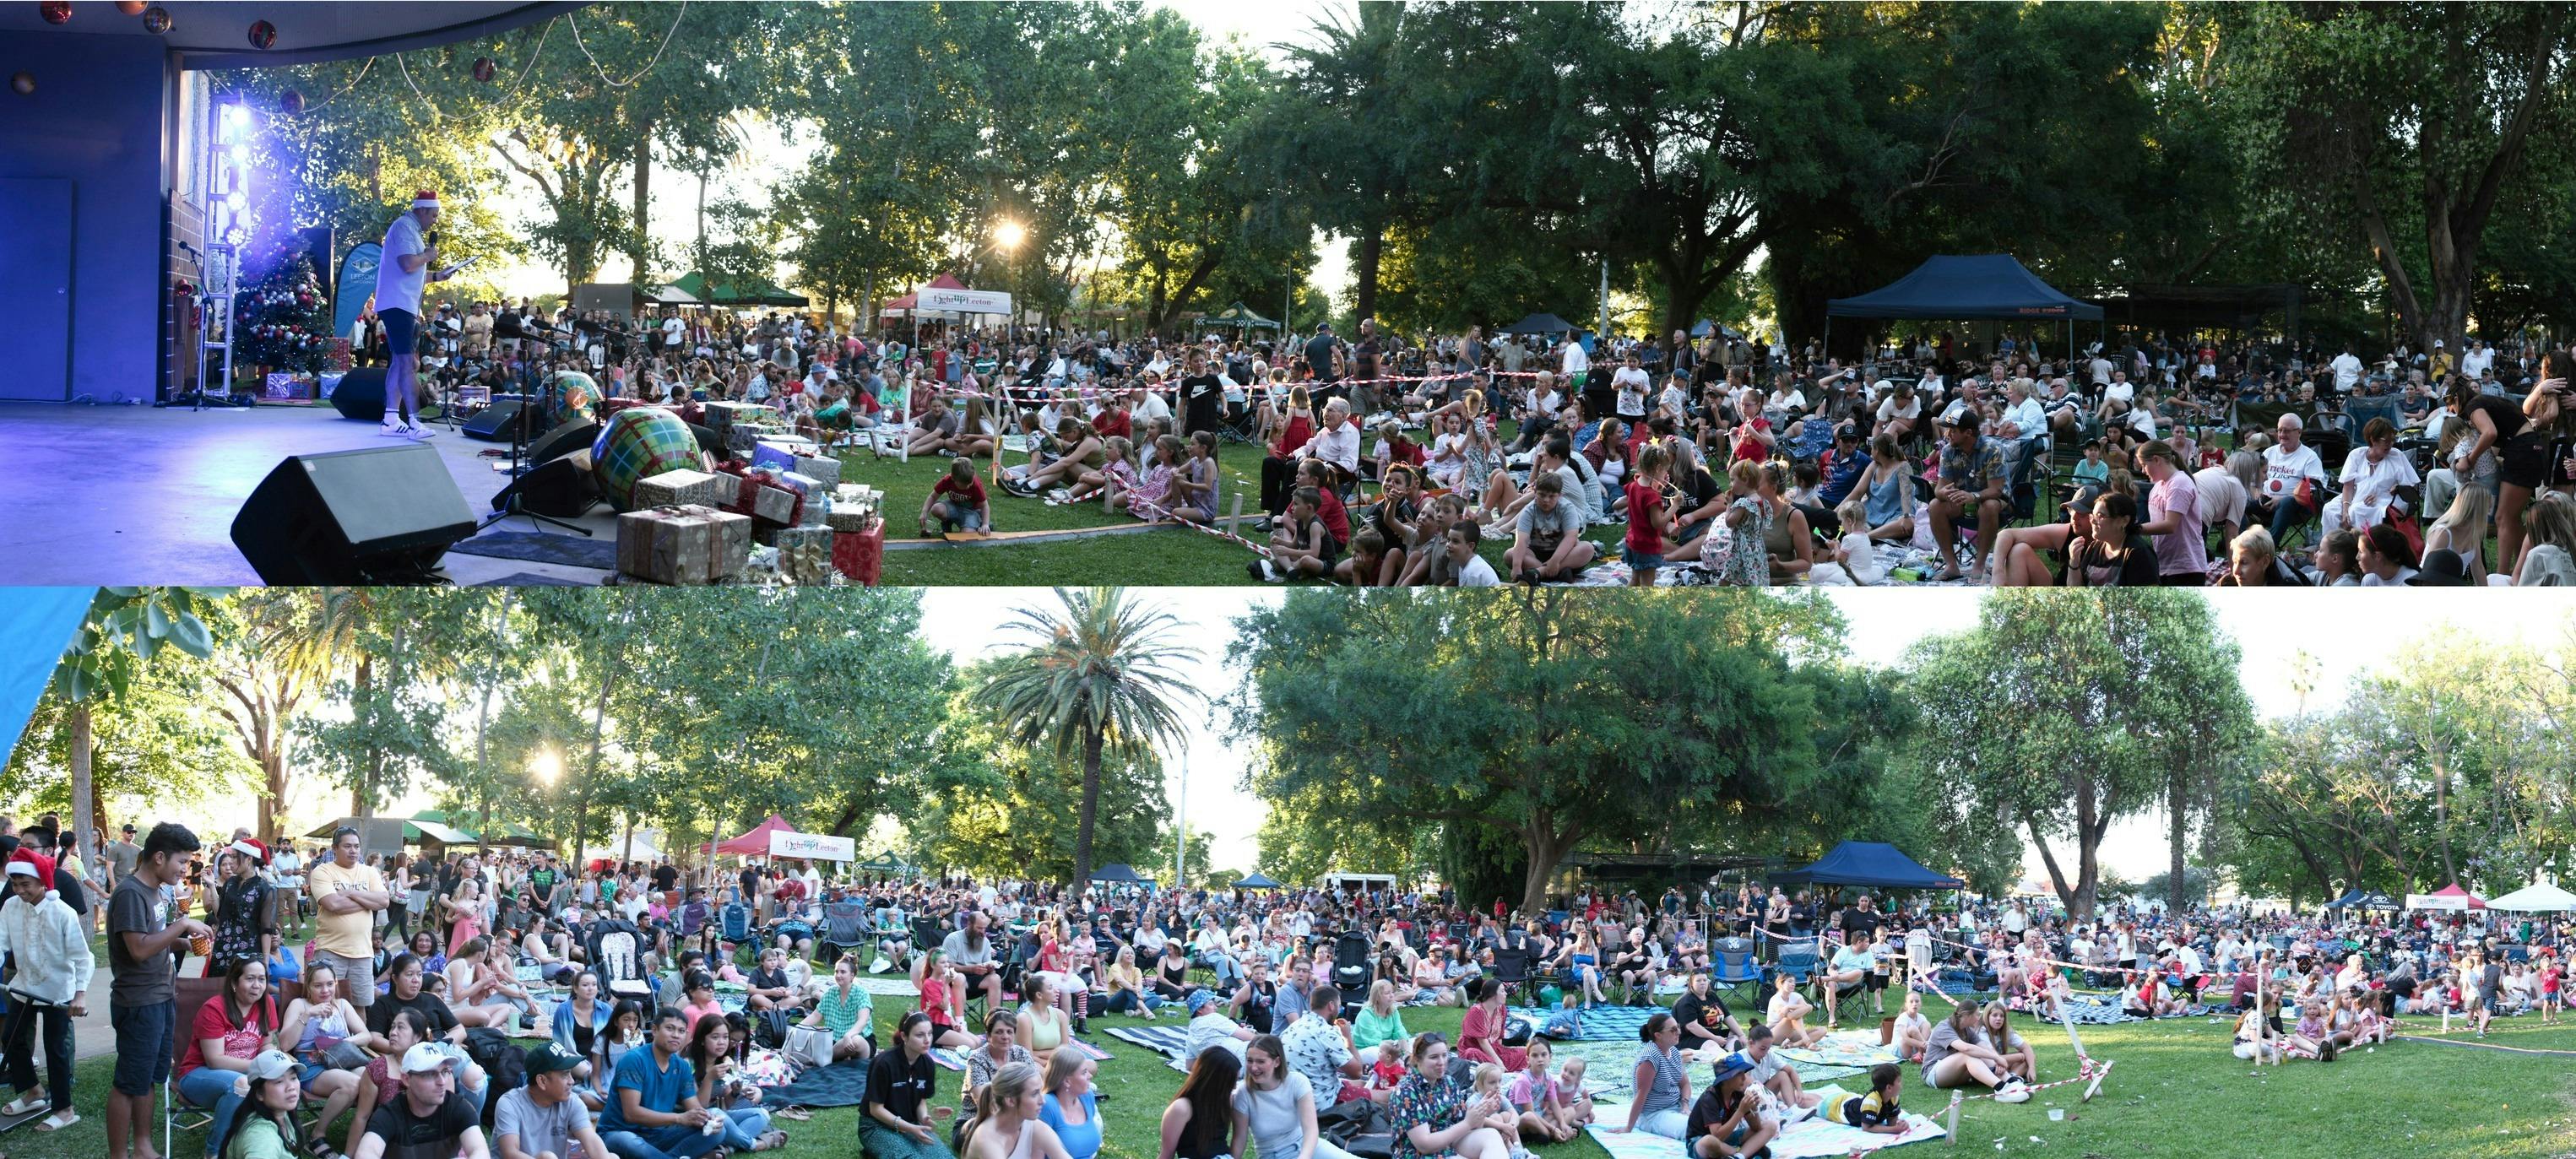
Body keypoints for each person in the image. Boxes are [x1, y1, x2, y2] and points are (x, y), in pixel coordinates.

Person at [111, 822, 213, 1159]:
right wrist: (181, 924)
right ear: (158, 857)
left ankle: (143, 1147)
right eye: (181, 862)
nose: (186, 869)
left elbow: (152, 939)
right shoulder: (130, 893)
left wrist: (183, 940)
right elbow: (138, 949)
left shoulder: (155, 891)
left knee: (151, 1077)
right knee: (129, 1082)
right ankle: (119, 1155)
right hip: (139, 1002)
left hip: (161, 996)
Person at [0, 847, 88, 1130]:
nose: (19, 890)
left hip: (58, 989)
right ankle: (34, 1092)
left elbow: (82, 956)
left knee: (55, 1050)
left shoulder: (62, 912)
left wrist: (80, 993)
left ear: (42, 882)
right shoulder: (10, 907)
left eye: (25, 884)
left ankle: (64, 1109)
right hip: (24, 985)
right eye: (15, 884)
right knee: (11, 1039)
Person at [370, 191, 462, 438]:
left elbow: (413, 273)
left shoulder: (411, 231)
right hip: (398, 305)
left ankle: (390, 419)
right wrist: (428, 256)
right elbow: (409, 264)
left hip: (404, 304)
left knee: (405, 363)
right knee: (406, 363)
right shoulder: (403, 227)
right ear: (421, 210)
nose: (434, 220)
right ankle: (413, 421)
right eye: (433, 215)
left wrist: (437, 275)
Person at [599, 1007, 720, 1159]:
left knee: (717, 1129)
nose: (676, 1035)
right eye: (670, 1029)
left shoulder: (681, 1066)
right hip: (618, 1134)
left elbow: (694, 1107)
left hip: (659, 1135)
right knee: (630, 1141)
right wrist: (679, 1118)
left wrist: (707, 1119)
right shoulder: (634, 1060)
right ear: (655, 1030)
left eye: (682, 1031)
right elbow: (631, 1114)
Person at [1386, 1033, 1515, 1159]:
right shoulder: (1406, 1091)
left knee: (1491, 1135)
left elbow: (1467, 1126)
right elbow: (1424, 1145)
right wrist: (1468, 1123)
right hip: (1416, 1153)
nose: (1441, 1062)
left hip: (1451, 1142)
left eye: (1444, 1055)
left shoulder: (1448, 1082)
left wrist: (1482, 1113)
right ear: (1418, 1059)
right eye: (1434, 1057)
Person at [352, 1043, 491, 1159]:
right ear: (406, 1079)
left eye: (444, 1072)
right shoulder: (390, 1114)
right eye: (430, 1074)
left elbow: (480, 1150)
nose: (442, 1082)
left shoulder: (457, 1107)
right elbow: (366, 1153)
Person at [311, 827, 390, 1016]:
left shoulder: (369, 872)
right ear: (335, 848)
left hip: (362, 952)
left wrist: (352, 893)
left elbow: (384, 901)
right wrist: (368, 902)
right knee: (327, 1004)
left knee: (360, 1005)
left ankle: (358, 1045)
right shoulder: (323, 871)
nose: (353, 851)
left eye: (356, 846)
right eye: (347, 846)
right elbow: (333, 904)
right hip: (331, 950)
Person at [686, 1015, 785, 1152]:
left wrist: (736, 1092)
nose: (722, 1042)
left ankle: (728, 1148)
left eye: (725, 1037)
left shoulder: (724, 1062)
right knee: (717, 1113)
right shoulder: (688, 1064)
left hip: (718, 1118)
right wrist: (709, 1079)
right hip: (696, 1120)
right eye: (715, 1037)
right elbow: (699, 1108)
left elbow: (727, 1104)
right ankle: (754, 1145)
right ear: (702, 1040)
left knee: (761, 1114)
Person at [864, 1012, 955, 1159]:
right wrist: (910, 1128)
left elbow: (921, 1101)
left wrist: (925, 1118)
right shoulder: (884, 1063)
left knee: (944, 1157)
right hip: (876, 1126)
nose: (927, 1040)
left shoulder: (927, 1063)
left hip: (910, 1123)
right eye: (920, 1035)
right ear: (904, 1037)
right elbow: (875, 1110)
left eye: (930, 1034)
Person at [496, 1043, 610, 1159]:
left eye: (571, 1073)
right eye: (565, 1075)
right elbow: (510, 1154)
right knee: (547, 1157)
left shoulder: (571, 1102)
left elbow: (591, 1140)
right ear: (542, 1081)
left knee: (612, 1157)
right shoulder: (510, 1104)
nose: (572, 1081)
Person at [1920, 1000, 2026, 1102]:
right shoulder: (1944, 1027)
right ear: (1967, 1015)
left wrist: (1997, 1060)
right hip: (1933, 1074)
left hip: (1954, 1075)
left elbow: (1984, 1047)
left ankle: (2011, 1082)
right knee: (1967, 1054)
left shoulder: (1967, 1029)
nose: (1978, 1018)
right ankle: (2001, 1089)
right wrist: (1996, 1057)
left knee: (1980, 1052)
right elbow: (1966, 1048)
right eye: (1976, 1014)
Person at [216, 1049, 305, 1159]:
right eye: (279, 1081)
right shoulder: (262, 1137)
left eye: (293, 1078)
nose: (291, 1087)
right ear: (259, 1093)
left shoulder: (281, 1113)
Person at [1679, 1053, 1771, 1159]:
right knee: (1709, 1141)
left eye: (1744, 1073)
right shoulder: (1710, 1098)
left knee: (1770, 1126)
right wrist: (1740, 1112)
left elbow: (1757, 1128)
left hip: (1726, 1139)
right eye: (1739, 1074)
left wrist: (1753, 1108)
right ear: (1726, 1078)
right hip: (1701, 1141)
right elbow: (1717, 1136)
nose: (1744, 1078)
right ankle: (1744, 1152)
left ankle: (1739, 1156)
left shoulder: (1738, 1094)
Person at [1617, 1013, 1693, 1138]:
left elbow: (1685, 1084)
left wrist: (1685, 1105)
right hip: (1654, 1114)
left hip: (1677, 1104)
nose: (1679, 1032)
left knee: (1714, 1107)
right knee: (1692, 1127)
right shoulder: (1650, 1058)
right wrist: (1628, 1128)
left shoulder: (1673, 1051)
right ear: (1658, 1035)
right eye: (1673, 1030)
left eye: (1678, 1027)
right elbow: (1641, 1095)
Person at [804, 954, 877, 1063]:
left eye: (843, 972)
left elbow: (863, 1020)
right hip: (835, 1042)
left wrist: (849, 1035)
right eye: (836, 971)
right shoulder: (831, 993)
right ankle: (831, 1057)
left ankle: (824, 1058)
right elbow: (815, 1015)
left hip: (861, 1040)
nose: (838, 975)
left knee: (855, 1040)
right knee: (810, 1039)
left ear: (852, 975)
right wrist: (797, 1029)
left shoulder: (861, 993)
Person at [1037, 1052, 1103, 1159]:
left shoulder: (1087, 1097)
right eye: (1084, 1072)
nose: (1090, 1076)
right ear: (1067, 1081)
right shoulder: (1047, 1105)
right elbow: (1035, 1150)